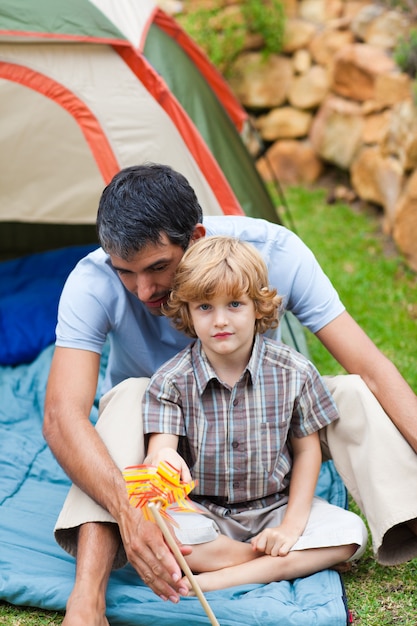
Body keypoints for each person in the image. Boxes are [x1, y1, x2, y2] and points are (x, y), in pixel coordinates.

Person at [43, 163, 417, 626]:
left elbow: (373, 370)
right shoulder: (92, 281)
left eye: (158, 268)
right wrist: (130, 508)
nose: (143, 290)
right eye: (126, 272)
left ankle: (404, 520)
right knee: (126, 397)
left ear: (195, 237)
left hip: (267, 433)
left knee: (354, 392)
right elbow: (63, 415)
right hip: (168, 444)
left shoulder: (273, 254)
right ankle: (87, 601)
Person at [142, 235, 367, 592]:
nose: (220, 320)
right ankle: (264, 561)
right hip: (205, 513)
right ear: (186, 310)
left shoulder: (294, 371)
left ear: (257, 306)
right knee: (158, 528)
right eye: (204, 307)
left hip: (274, 507)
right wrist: (165, 465)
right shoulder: (170, 381)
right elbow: (161, 450)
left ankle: (222, 577)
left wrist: (292, 526)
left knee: (351, 534)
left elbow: (308, 451)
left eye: (234, 304)